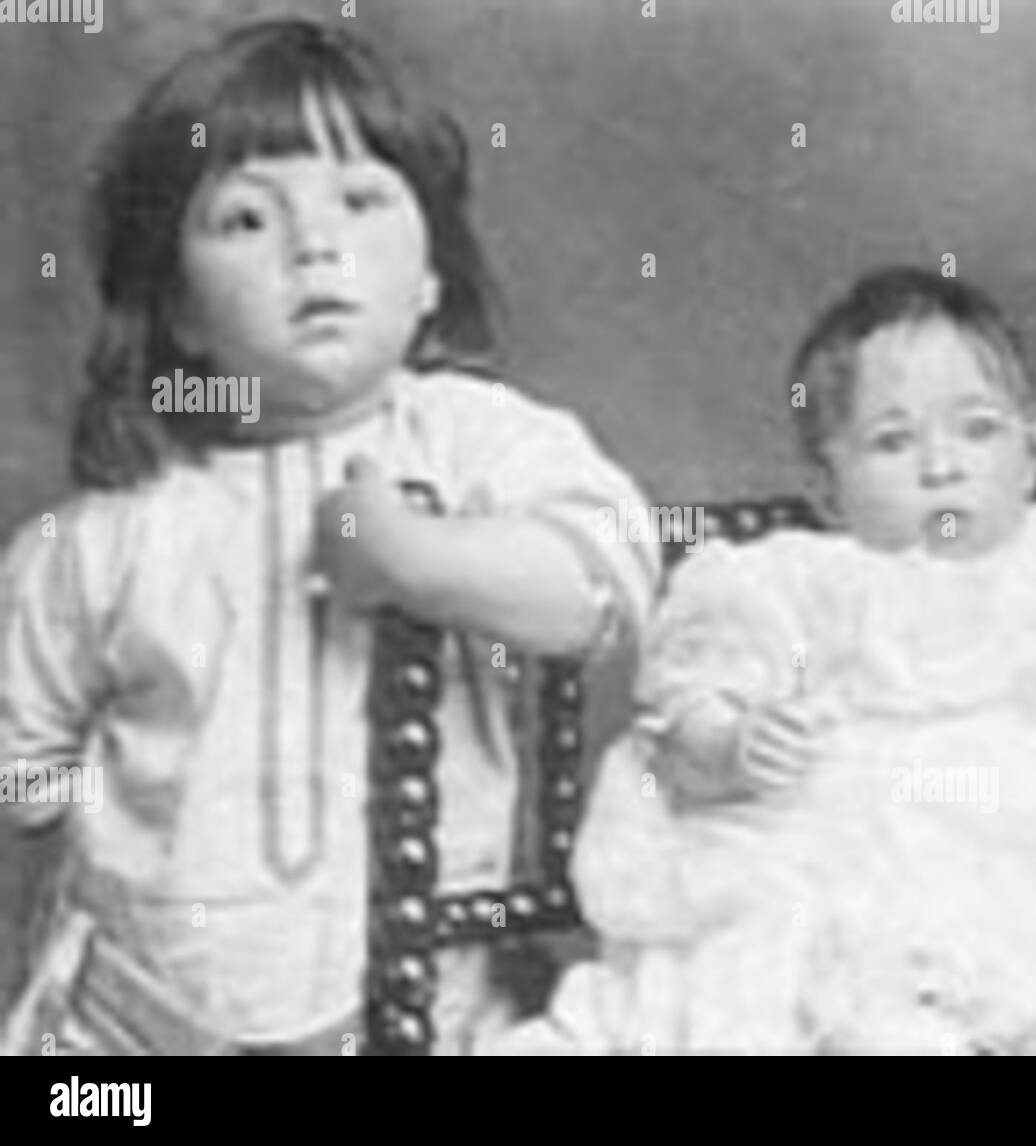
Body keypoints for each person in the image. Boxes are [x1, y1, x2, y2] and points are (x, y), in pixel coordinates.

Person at [0, 19, 658, 1055]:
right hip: (137, 1030)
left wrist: (423, 562)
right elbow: (23, 764)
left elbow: (606, 584)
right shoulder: (106, 538)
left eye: (361, 201)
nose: (315, 243)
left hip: (420, 1010)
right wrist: (135, 835)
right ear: (178, 311)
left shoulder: (467, 441)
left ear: (433, 274)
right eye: (248, 220)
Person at [497, 266, 1036, 1055]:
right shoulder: (796, 579)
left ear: (1032, 451)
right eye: (892, 440)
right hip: (882, 856)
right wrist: (732, 746)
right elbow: (689, 702)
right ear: (828, 489)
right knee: (819, 953)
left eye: (978, 429)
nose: (941, 465)